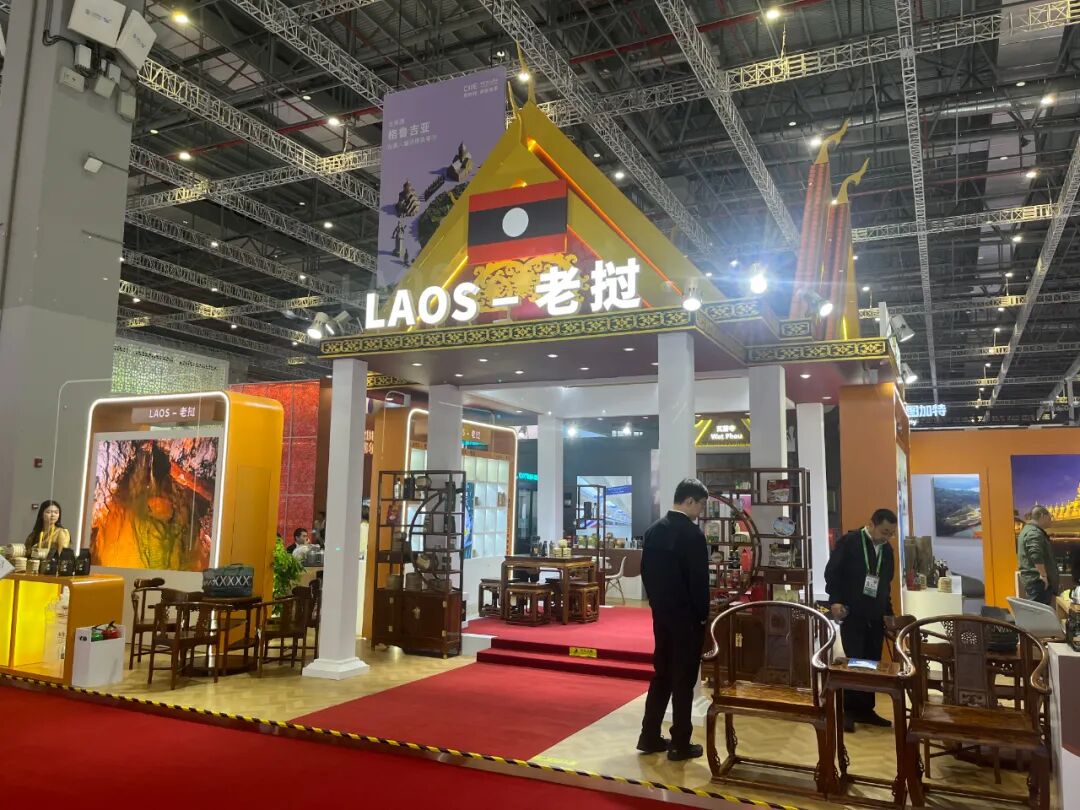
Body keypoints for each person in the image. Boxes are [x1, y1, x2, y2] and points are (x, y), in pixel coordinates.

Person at [637, 477, 710, 761]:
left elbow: (646, 573)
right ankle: (680, 742)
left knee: (662, 675)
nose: (701, 510)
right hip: (687, 620)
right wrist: (702, 618)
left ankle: (649, 735)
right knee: (684, 680)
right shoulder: (693, 536)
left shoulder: (653, 531)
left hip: (661, 615)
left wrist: (657, 605)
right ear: (689, 501)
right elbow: (698, 583)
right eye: (701, 505)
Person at [824, 508, 897, 732]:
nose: (887, 537)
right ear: (871, 524)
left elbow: (885, 585)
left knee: (872, 661)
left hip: (875, 614)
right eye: (884, 532)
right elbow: (833, 573)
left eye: (891, 534)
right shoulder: (850, 542)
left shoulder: (887, 551)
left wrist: (888, 613)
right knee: (854, 661)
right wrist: (835, 600)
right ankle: (848, 710)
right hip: (852, 612)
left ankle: (866, 709)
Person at [1017, 506, 1058, 606]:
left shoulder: (1027, 530)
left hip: (1034, 581)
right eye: (1050, 517)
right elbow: (1035, 555)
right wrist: (1043, 576)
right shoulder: (1034, 533)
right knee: (1038, 612)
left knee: (1036, 611)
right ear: (1042, 516)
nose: (1051, 520)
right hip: (1039, 582)